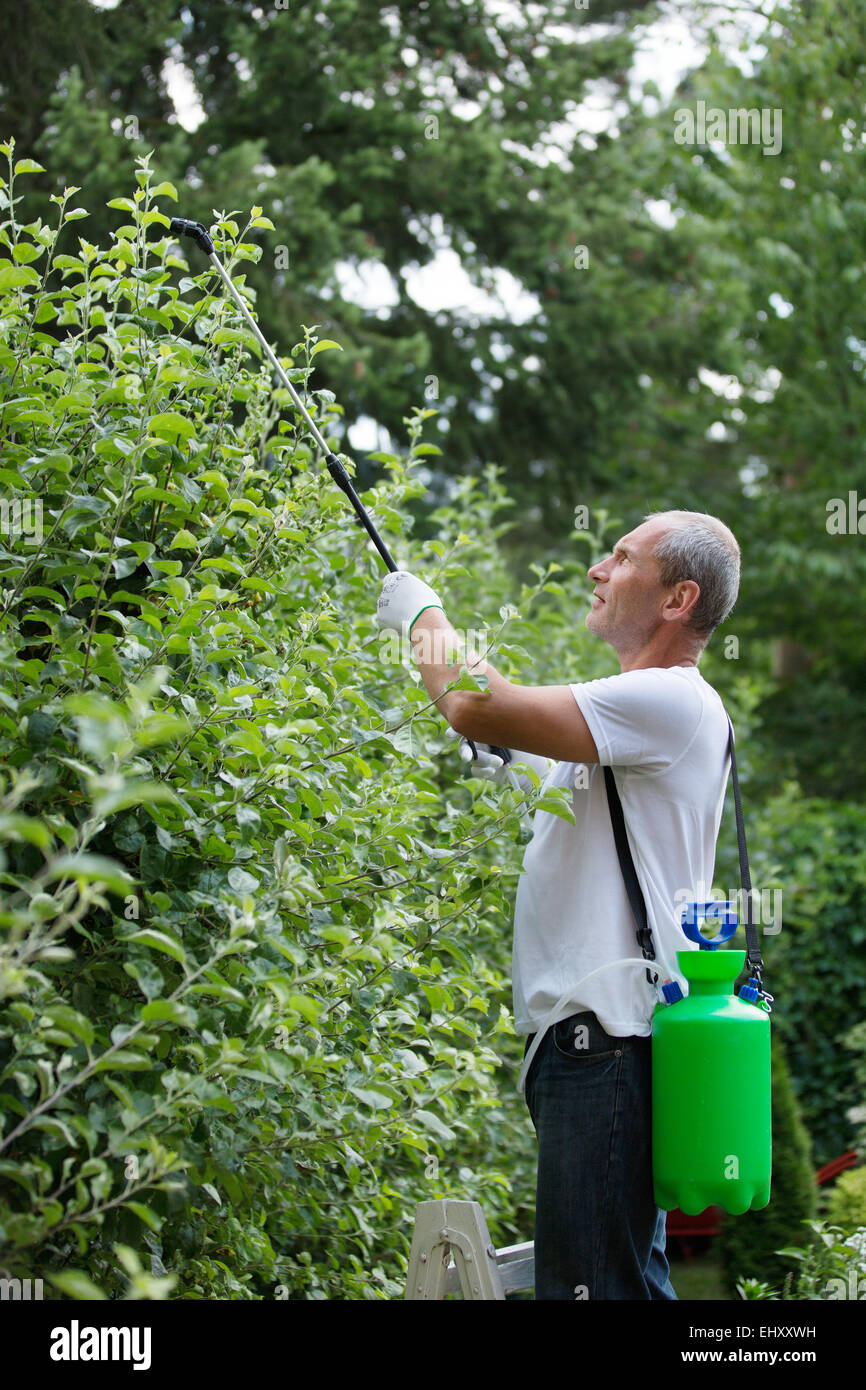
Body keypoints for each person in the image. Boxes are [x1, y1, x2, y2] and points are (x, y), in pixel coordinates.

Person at [375, 509, 741, 1300]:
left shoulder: (667, 700)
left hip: (606, 1041)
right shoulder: (644, 715)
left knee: (593, 1290)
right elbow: (581, 807)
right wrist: (512, 763)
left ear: (678, 599)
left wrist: (421, 617)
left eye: (621, 558)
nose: (596, 571)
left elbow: (475, 703)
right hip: (600, 1043)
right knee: (621, 1282)